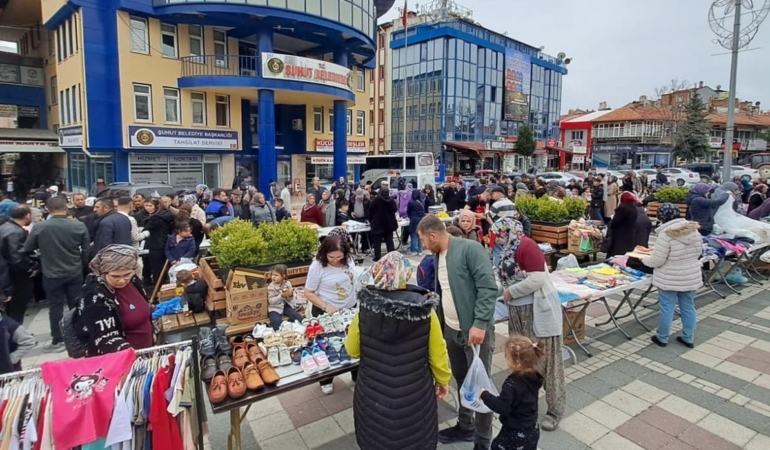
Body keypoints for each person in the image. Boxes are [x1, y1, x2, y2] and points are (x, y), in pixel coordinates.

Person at [345, 252, 451, 450]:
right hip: (415, 394)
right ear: (406, 275)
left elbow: (352, 351)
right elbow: (438, 353)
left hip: (373, 395)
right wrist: (443, 380)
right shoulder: (425, 310)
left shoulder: (365, 309)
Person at [416, 215, 498, 450]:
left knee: (481, 386)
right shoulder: (438, 255)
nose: (422, 245)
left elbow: (488, 287)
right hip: (451, 330)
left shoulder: (470, 249)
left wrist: (480, 323)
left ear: (433, 235)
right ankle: (465, 426)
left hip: (474, 332)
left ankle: (483, 442)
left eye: (422, 240)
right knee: (463, 381)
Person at [497, 218, 565, 432]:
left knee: (548, 363)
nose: (496, 238)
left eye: (498, 233)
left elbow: (538, 279)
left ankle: (555, 410)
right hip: (518, 310)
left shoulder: (526, 245)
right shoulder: (509, 247)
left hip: (537, 311)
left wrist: (511, 292)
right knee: (524, 362)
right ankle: (527, 405)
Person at [24, 197, 89, 353]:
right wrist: (82, 265)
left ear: (49, 209)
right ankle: (78, 334)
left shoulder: (40, 227)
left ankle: (58, 339)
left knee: (55, 307)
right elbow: (86, 250)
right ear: (66, 207)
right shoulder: (78, 226)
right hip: (74, 270)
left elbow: (28, 248)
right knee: (76, 304)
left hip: (51, 272)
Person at [76, 245, 154, 356]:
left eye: (127, 274)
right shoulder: (94, 296)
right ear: (103, 272)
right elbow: (104, 338)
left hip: (146, 352)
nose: (122, 280)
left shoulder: (133, 281)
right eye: (115, 276)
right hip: (122, 360)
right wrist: (132, 355)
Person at [643, 203, 702, 348]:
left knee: (667, 307)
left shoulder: (666, 234)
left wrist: (643, 260)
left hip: (669, 276)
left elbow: (657, 260)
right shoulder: (693, 230)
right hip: (690, 274)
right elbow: (699, 252)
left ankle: (662, 337)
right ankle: (689, 337)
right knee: (688, 306)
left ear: (662, 217)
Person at [304, 236, 357, 394]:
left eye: (339, 257)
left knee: (352, 340)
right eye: (331, 257)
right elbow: (308, 292)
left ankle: (356, 373)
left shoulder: (349, 260)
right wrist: (326, 306)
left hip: (349, 309)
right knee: (328, 344)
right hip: (326, 311)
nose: (335, 260)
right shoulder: (317, 266)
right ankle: (326, 379)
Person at [480, 336, 544, 450]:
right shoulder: (533, 376)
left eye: (507, 356)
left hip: (515, 431)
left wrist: (484, 395)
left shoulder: (512, 384)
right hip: (532, 428)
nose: (505, 358)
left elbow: (502, 407)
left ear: (517, 362)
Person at [0, 205, 34, 323]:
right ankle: (16, 336)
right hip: (15, 279)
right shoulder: (15, 232)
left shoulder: (5, 228)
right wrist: (31, 267)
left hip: (7, 277)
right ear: (28, 215)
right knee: (17, 310)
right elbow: (17, 259)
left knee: (11, 311)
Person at [141, 198, 174, 287]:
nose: (148, 208)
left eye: (150, 206)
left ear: (157, 206)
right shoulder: (167, 216)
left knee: (157, 268)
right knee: (161, 268)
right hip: (164, 243)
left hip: (155, 245)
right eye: (146, 205)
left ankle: (158, 288)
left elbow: (146, 229)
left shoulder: (155, 219)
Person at [367, 185, 398, 261]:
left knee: (377, 242)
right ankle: (391, 256)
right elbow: (395, 210)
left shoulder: (375, 200)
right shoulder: (391, 201)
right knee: (389, 241)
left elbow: (370, 212)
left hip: (377, 224)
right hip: (389, 225)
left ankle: (377, 257)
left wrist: (371, 220)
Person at [267, 264, 303, 331]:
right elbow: (271, 301)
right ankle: (279, 334)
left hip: (286, 305)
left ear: (283, 276)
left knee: (297, 316)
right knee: (276, 321)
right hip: (275, 308)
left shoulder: (287, 283)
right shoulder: (271, 286)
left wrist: (290, 295)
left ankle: (295, 329)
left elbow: (290, 299)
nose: (273, 277)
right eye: (272, 275)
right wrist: (281, 296)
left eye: (276, 275)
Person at [605, 191, 639, 257]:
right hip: (629, 234)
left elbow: (615, 222)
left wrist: (611, 222)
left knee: (616, 254)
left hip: (619, 235)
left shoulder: (622, 208)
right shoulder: (633, 208)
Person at [407, 190, 426, 255]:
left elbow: (408, 211)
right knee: (420, 235)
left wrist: (410, 217)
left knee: (413, 235)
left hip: (414, 219)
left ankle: (413, 250)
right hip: (421, 219)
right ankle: (420, 250)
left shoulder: (411, 202)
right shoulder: (422, 201)